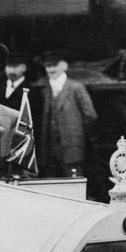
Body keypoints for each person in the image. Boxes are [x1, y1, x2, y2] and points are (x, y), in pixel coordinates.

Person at [36, 49, 97, 178]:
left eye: (54, 65)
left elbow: (90, 115)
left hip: (71, 151)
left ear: (64, 66)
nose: (51, 69)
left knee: (74, 185)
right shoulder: (45, 90)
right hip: (49, 152)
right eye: (48, 66)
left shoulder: (76, 87)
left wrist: (76, 134)